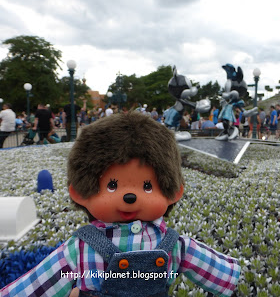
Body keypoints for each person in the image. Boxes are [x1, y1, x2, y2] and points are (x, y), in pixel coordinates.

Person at [0, 111, 240, 296]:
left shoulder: (174, 246)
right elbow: (40, 283)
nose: (130, 196)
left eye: (147, 186)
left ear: (172, 193)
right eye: (112, 186)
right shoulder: (81, 248)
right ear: (81, 193)